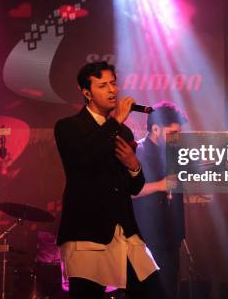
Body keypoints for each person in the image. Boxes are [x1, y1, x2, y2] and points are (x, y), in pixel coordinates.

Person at [54, 61, 165, 299]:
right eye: (102, 85)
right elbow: (81, 160)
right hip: (87, 232)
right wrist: (115, 122)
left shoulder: (123, 133)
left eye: (113, 83)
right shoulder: (68, 127)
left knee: (154, 291)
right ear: (86, 92)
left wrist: (134, 165)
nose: (112, 90)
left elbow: (134, 187)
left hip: (124, 230)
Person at [133, 102, 187, 299]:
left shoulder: (174, 153)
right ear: (155, 129)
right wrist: (160, 185)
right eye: (172, 133)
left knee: (170, 290)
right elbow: (127, 191)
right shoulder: (138, 151)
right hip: (146, 237)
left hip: (171, 235)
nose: (176, 138)